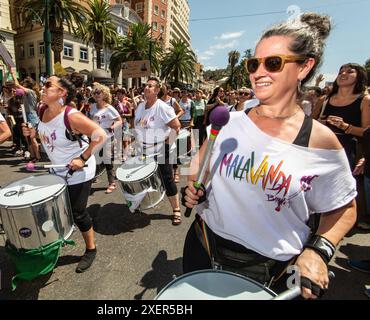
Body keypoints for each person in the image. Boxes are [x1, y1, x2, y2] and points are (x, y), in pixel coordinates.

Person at [182, 12, 357, 299]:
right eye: (254, 63)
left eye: (273, 63)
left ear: (304, 67)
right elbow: (200, 165)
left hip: (268, 269)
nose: (258, 72)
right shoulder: (230, 120)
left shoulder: (319, 141)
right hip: (204, 244)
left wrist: (318, 250)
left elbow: (345, 208)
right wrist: (197, 187)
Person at [23, 76, 107, 273]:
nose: (43, 89)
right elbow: (44, 132)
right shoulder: (42, 109)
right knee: (58, 208)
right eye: (43, 86)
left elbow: (100, 136)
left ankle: (91, 249)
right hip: (58, 167)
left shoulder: (71, 116)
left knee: (78, 212)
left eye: (48, 87)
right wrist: (32, 133)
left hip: (79, 170)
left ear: (62, 93)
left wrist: (82, 158)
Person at [134, 77, 182, 225]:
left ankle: (176, 210)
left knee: (167, 179)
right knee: (142, 177)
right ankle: (142, 203)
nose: (146, 87)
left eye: (150, 86)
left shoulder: (163, 107)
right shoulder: (141, 106)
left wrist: (166, 146)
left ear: (157, 90)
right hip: (144, 148)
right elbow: (137, 124)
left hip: (160, 149)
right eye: (145, 85)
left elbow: (176, 127)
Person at [319, 63, 370, 170]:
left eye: (350, 71)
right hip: (319, 149)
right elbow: (310, 120)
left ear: (359, 77)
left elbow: (366, 132)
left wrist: (345, 127)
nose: (343, 73)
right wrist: (318, 123)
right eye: (341, 72)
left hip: (345, 153)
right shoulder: (324, 99)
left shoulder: (365, 100)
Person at [89, 83, 122, 193]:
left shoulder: (109, 108)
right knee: (94, 158)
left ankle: (111, 182)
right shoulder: (93, 107)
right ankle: (94, 176)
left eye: (99, 92)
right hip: (95, 137)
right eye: (95, 92)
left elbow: (119, 120)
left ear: (105, 94)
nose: (97, 94)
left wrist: (113, 126)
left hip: (107, 137)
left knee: (107, 160)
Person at [10, 67, 41, 162]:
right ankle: (32, 155)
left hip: (31, 116)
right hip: (26, 116)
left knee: (32, 138)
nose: (22, 86)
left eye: (24, 84)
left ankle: (37, 157)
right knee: (28, 139)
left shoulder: (31, 92)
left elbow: (17, 85)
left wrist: (13, 73)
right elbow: (16, 87)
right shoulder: (25, 94)